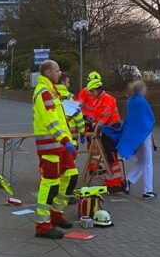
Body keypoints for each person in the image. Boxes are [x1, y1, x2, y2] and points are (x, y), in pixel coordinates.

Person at [32, 60, 77, 239]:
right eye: (57, 71)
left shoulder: (52, 92)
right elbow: (51, 121)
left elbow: (60, 119)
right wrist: (65, 140)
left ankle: (56, 214)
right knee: (50, 184)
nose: (60, 74)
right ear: (48, 72)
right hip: (51, 145)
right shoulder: (44, 93)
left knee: (71, 177)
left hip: (59, 145)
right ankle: (42, 225)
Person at [118, 80, 156, 199]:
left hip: (134, 135)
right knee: (147, 162)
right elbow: (149, 117)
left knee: (141, 161)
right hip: (143, 134)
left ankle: (128, 181)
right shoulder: (142, 101)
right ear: (142, 89)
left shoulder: (131, 101)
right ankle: (148, 190)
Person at [86, 78, 125, 193]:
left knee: (111, 154)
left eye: (92, 91)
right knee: (107, 155)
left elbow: (106, 116)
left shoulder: (108, 99)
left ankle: (117, 182)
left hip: (112, 128)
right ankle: (111, 181)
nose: (91, 94)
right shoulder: (97, 100)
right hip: (105, 129)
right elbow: (97, 116)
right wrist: (93, 123)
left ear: (98, 89)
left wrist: (96, 126)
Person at [56, 75, 86, 149]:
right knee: (70, 160)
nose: (69, 84)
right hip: (71, 135)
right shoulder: (70, 97)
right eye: (68, 82)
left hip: (56, 134)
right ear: (63, 82)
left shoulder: (51, 95)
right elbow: (78, 117)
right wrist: (82, 132)